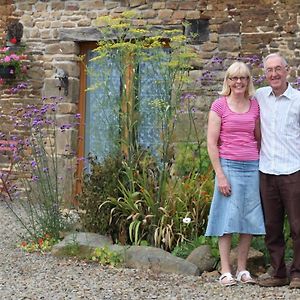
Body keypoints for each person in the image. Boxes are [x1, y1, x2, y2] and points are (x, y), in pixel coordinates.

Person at [205, 61, 265, 286]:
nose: (239, 82)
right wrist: (220, 174)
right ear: (228, 81)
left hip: (251, 166)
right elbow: (211, 143)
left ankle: (242, 269)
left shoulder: (255, 106)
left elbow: (258, 138)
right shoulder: (219, 106)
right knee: (227, 218)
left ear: (249, 81)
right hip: (228, 166)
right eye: (234, 78)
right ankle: (226, 271)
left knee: (248, 218)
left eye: (243, 78)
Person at [256, 53, 300, 289]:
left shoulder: (298, 100)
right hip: (267, 171)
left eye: (278, 69)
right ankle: (279, 272)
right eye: (269, 70)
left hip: (293, 171)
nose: (273, 74)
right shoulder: (260, 97)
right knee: (272, 226)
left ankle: (298, 274)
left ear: (287, 71)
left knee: (297, 226)